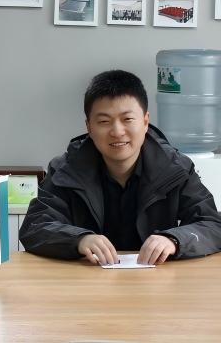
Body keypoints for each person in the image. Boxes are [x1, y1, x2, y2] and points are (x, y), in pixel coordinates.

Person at [19, 70, 221, 265]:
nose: (117, 131)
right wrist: (79, 239)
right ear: (89, 127)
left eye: (128, 119)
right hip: (87, 279)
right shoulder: (66, 169)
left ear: (145, 122)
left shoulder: (175, 168)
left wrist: (174, 240)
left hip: (158, 279)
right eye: (104, 121)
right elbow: (35, 227)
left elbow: (212, 225)